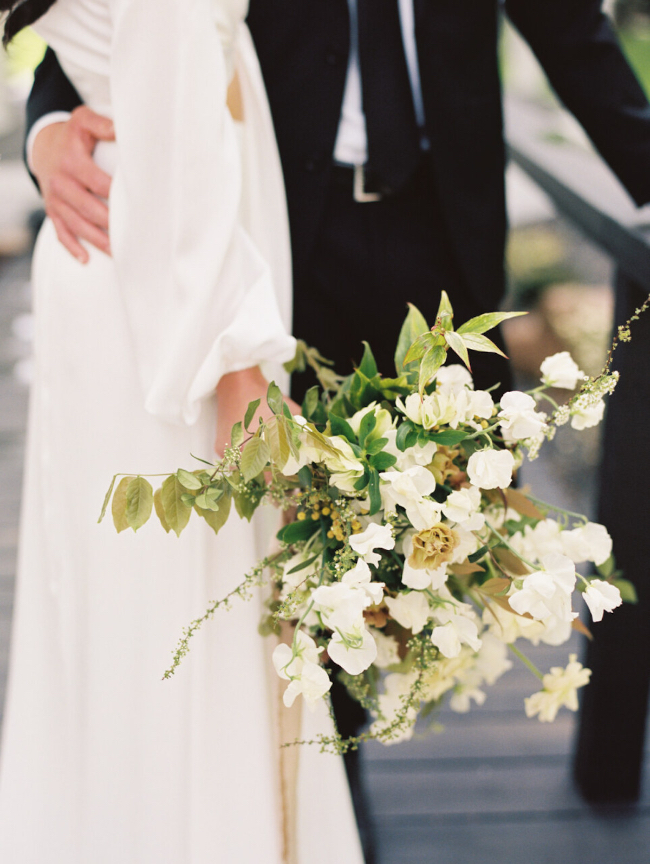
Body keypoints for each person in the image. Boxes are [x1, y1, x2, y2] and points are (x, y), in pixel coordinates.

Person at [19, 0, 650, 825]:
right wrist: (47, 128)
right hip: (272, 243)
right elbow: (103, 25)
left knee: (411, 540)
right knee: (287, 539)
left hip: (437, 233)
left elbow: (570, 28)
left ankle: (324, 783)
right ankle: (318, 796)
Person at [0, 1, 366, 862]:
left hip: (146, 261)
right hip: (170, 293)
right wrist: (237, 366)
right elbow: (179, 134)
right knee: (177, 617)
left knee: (134, 616)